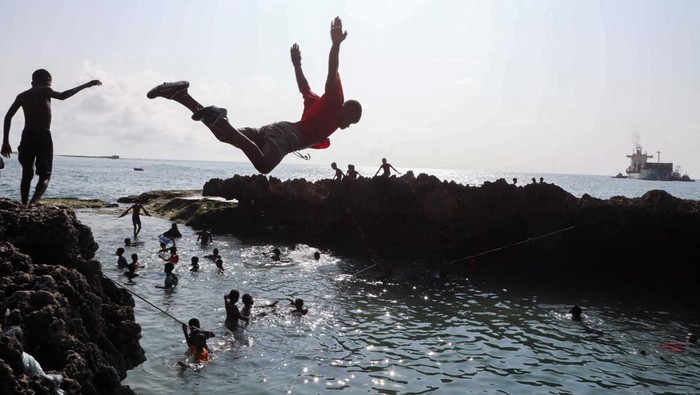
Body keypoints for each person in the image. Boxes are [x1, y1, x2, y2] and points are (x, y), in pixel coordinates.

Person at [146, 17, 362, 174]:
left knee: (224, 134)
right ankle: (217, 116)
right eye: (351, 120)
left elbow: (304, 88)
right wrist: (335, 46)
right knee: (264, 166)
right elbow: (332, 72)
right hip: (285, 136)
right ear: (346, 109)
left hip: (276, 130)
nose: (348, 126)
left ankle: (181, 95)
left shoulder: (323, 110)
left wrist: (297, 64)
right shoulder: (335, 102)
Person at [2, 69, 101, 205]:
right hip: (42, 135)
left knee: (27, 173)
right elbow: (62, 96)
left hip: (27, 136)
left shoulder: (22, 96)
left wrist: (5, 142)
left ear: (32, 82)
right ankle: (33, 203)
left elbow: (8, 117)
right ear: (46, 80)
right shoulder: (44, 90)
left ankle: (24, 204)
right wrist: (86, 85)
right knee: (45, 174)